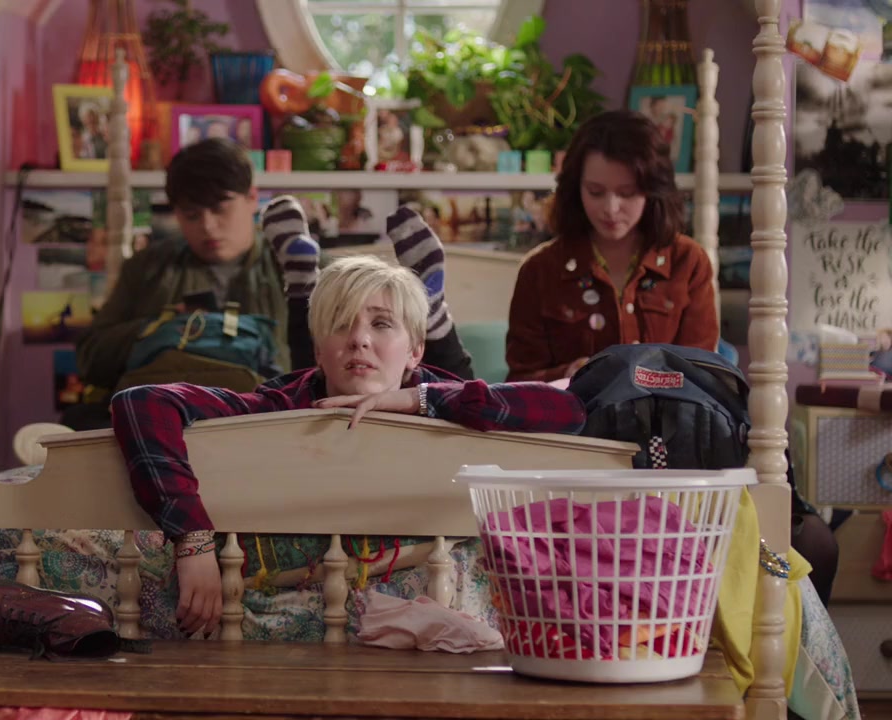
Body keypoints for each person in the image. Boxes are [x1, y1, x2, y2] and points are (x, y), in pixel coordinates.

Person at [110, 222, 587, 636]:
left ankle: (426, 314)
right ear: (319, 351)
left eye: (381, 324)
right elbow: (142, 402)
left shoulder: (449, 397)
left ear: (415, 351)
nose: (359, 338)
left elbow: (570, 408)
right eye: (341, 324)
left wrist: (417, 399)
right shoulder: (282, 405)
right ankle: (307, 290)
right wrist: (193, 541)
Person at [64, 138, 476, 430]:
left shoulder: (321, 276)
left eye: (220, 208)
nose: (208, 226)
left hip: (269, 420)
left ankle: (417, 308)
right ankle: (412, 306)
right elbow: (91, 356)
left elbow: (335, 362)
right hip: (169, 413)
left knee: (324, 352)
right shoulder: (149, 268)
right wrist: (168, 328)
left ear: (251, 198)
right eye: (191, 214)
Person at [505, 110, 719, 382]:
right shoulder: (540, 270)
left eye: (627, 193)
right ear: (575, 188)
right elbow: (519, 383)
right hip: (572, 411)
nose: (610, 208)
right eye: (595, 192)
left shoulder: (687, 261)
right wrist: (569, 375)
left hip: (665, 411)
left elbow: (703, 378)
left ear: (653, 190)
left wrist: (648, 380)